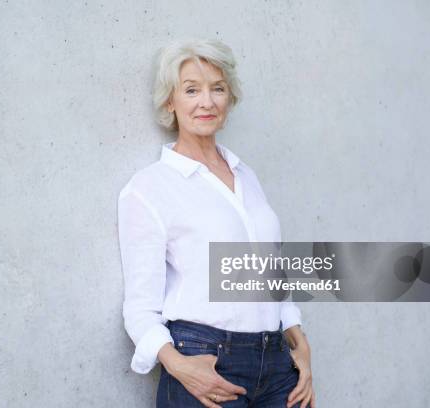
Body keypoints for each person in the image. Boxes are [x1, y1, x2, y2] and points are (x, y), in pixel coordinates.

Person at [117, 38, 315, 408]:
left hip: (276, 363)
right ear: (169, 102)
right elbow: (140, 308)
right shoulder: (148, 188)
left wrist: (297, 338)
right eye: (191, 89)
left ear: (230, 98)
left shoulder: (247, 176)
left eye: (217, 88)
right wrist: (178, 366)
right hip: (204, 359)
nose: (206, 101)